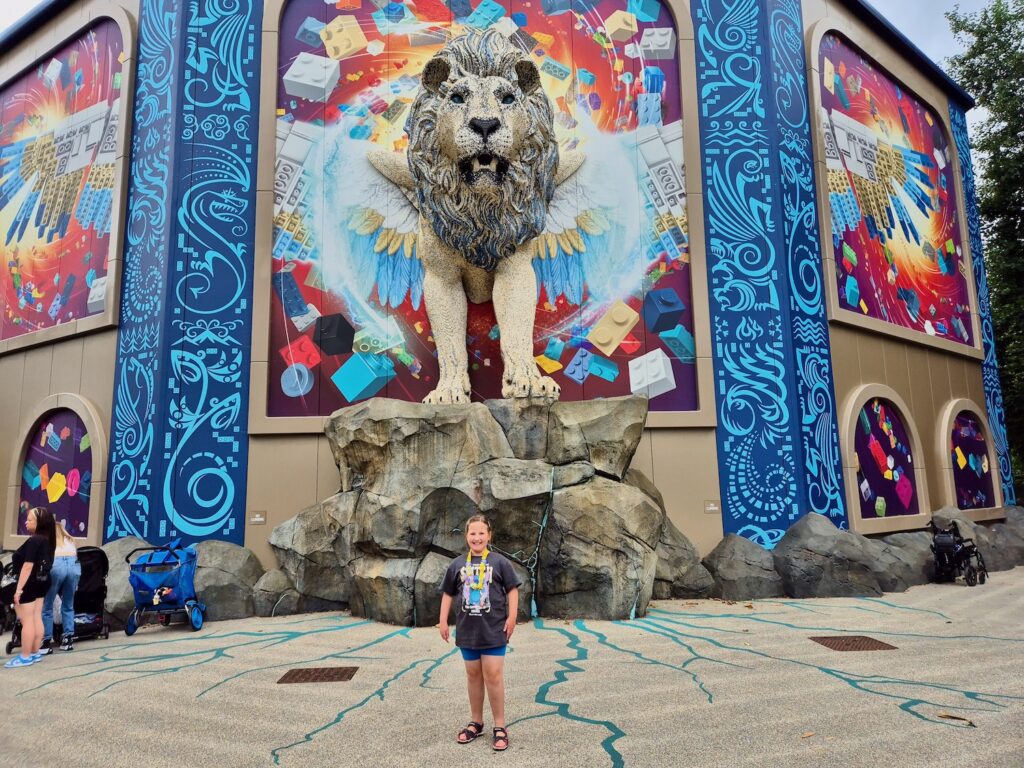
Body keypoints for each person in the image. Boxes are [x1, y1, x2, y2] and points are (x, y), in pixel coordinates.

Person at [439, 514, 521, 752]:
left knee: (493, 675)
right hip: (467, 632)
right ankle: (476, 722)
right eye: (472, 533)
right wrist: (443, 620)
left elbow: (512, 589)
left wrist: (513, 617)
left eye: (481, 533)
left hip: (494, 629)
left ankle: (500, 726)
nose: (477, 537)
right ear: (466, 536)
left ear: (489, 535)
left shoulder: (500, 562)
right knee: (473, 675)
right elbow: (447, 593)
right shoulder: (457, 565)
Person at [5, 506, 56, 668]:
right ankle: (34, 652)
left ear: (39, 522)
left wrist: (19, 589)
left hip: (30, 582)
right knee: (35, 617)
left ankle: (25, 655)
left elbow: (27, 566)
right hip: (42, 581)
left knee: (26, 620)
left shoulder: (35, 540)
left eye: (30, 520)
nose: (26, 522)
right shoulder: (48, 539)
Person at [41, 520, 81, 653]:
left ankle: (46, 640)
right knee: (68, 604)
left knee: (47, 605)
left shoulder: (48, 541)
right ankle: (68, 638)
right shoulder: (70, 540)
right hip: (73, 565)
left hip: (56, 565)